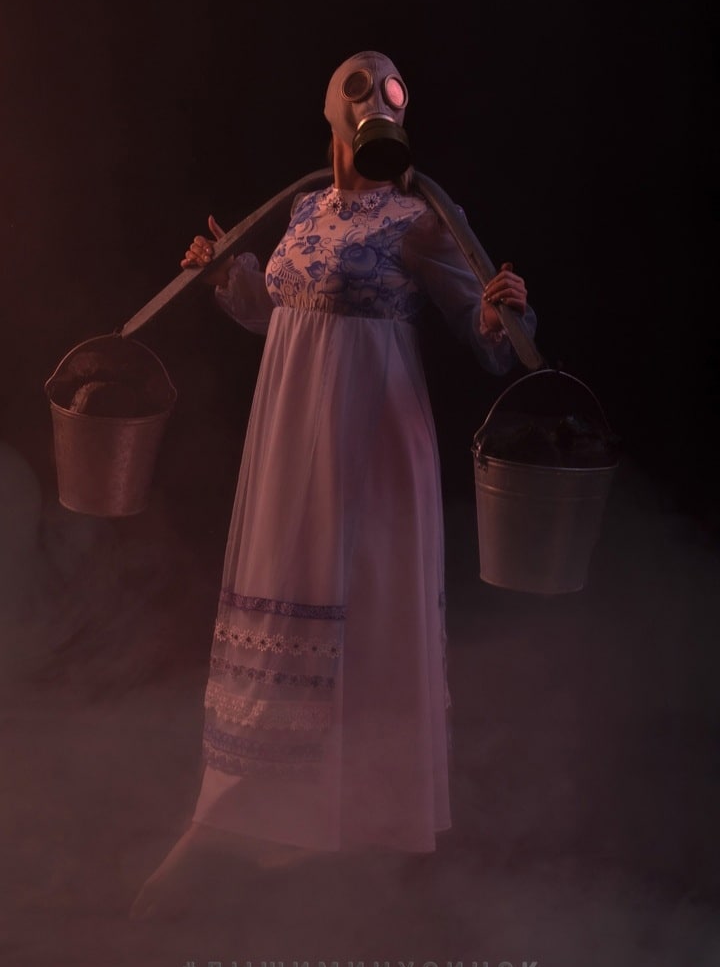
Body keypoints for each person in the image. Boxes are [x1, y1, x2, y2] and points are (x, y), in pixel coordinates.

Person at [130, 50, 536, 919]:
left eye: (391, 91)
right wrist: (227, 275)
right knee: (284, 600)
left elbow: (484, 336)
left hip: (368, 439)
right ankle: (246, 820)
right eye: (359, 87)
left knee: (360, 607)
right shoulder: (306, 207)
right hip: (289, 432)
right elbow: (277, 312)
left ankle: (347, 833)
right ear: (332, 108)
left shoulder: (422, 216)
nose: (375, 101)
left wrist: (497, 310)